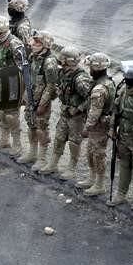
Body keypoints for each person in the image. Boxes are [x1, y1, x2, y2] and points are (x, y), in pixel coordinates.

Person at [40, 46, 91, 179]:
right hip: (65, 112)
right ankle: (53, 163)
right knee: (59, 137)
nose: (61, 62)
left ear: (67, 61)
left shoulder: (80, 79)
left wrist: (78, 109)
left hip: (76, 117)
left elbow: (91, 99)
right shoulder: (63, 73)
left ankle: (72, 168)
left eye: (63, 60)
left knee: (74, 142)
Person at [107, 61, 133, 209]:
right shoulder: (124, 89)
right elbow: (116, 110)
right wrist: (112, 128)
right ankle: (121, 193)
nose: (125, 78)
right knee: (124, 164)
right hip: (123, 134)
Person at [0, 15, 25, 155]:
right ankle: (4, 139)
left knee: (11, 116)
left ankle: (17, 144)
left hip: (12, 84)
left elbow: (23, 69)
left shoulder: (15, 44)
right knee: (2, 113)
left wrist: (22, 92)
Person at [78, 53, 116, 196]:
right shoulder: (106, 82)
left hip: (98, 127)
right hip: (98, 126)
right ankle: (92, 178)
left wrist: (86, 129)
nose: (89, 71)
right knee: (90, 153)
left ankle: (99, 184)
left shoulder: (99, 89)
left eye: (91, 68)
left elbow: (94, 112)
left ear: (96, 68)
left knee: (98, 155)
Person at [22, 31, 59, 168]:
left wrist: (42, 104)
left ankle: (42, 158)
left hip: (41, 101)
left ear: (45, 45)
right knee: (31, 125)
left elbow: (51, 86)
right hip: (31, 97)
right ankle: (32, 153)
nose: (33, 44)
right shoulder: (33, 56)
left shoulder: (49, 62)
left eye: (38, 43)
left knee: (41, 129)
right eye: (34, 41)